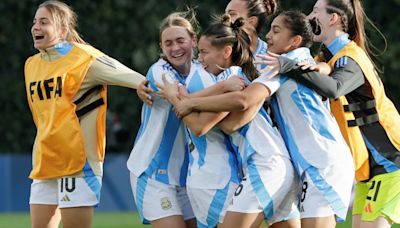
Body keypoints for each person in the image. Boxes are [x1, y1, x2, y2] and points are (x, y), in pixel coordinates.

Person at [258, 1, 400, 227]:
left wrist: (287, 65)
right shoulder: (329, 58)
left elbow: (333, 88)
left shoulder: (350, 56)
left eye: (316, 11)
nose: (309, 15)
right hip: (370, 168)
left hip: (391, 159)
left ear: (333, 18)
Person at [161, 15, 300, 228]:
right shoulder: (229, 78)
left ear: (226, 52)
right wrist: (189, 99)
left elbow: (203, 124)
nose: (201, 59)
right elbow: (226, 123)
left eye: (205, 53)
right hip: (272, 163)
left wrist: (181, 99)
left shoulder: (234, 76)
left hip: (264, 164)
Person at [25, 1, 146, 228]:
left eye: (44, 22)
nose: (35, 27)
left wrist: (154, 88)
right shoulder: (31, 65)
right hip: (45, 162)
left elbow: (136, 79)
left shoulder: (85, 58)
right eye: (34, 22)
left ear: (63, 30)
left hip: (79, 164)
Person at [252, 11, 354, 228]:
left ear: (295, 41)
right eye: (270, 29)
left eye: (276, 31)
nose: (269, 35)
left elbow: (246, 95)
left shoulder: (288, 61)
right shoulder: (302, 60)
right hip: (317, 159)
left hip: (322, 159)